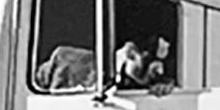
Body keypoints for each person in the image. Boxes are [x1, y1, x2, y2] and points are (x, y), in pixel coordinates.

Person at [34, 36, 171, 93]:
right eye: (148, 60)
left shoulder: (148, 85)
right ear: (131, 53)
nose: (159, 71)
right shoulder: (64, 60)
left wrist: (162, 88)